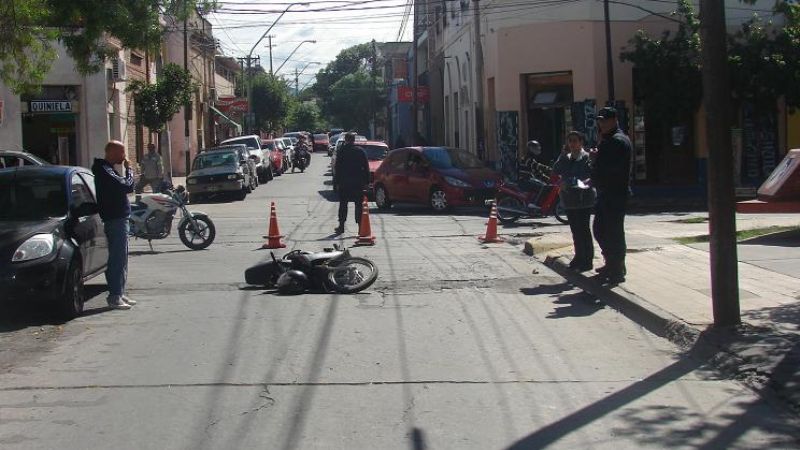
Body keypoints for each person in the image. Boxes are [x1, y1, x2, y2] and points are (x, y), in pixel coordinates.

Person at [92, 141, 136, 310]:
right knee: (117, 257)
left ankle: (120, 291)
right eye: (121, 153)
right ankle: (114, 295)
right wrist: (130, 170)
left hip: (120, 218)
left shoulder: (109, 170)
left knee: (122, 257)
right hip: (114, 219)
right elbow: (127, 185)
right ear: (111, 153)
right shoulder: (104, 170)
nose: (124, 157)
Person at [591, 106, 632, 284]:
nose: (602, 123)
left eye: (605, 120)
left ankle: (617, 268)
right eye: (600, 120)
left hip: (614, 192)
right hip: (607, 192)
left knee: (613, 232)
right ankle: (611, 263)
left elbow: (612, 169)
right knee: (601, 229)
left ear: (614, 120)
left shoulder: (617, 141)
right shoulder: (610, 139)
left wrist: (596, 160)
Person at [553, 131, 595, 272]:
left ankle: (587, 259)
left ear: (581, 142)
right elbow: (556, 170)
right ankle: (578, 256)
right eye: (570, 141)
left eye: (575, 141)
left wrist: (570, 183)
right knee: (575, 230)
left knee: (583, 229)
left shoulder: (586, 158)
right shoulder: (567, 158)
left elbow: (587, 178)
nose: (572, 144)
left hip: (584, 200)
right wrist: (562, 155)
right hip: (570, 200)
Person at [333, 132, 369, 235]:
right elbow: (366, 167)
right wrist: (366, 182)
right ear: (354, 140)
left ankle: (341, 226)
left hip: (344, 182)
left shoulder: (342, 151)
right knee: (358, 205)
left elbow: (337, 168)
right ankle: (360, 227)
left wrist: (336, 183)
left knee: (343, 204)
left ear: (346, 140)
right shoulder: (360, 151)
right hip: (358, 182)